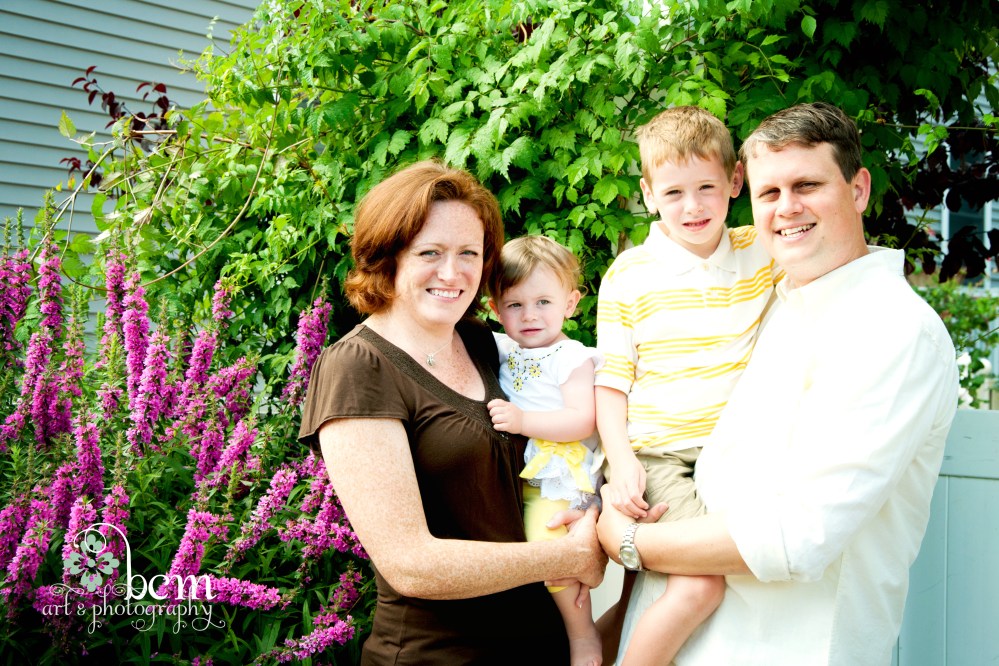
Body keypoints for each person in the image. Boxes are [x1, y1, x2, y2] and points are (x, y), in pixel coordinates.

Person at [597, 102, 960, 665]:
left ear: (858, 189)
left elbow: (797, 535)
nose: (786, 209)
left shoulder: (893, 330)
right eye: (769, 193)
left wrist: (623, 539)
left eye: (807, 184)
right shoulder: (779, 301)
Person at [297, 160, 607, 665]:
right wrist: (569, 557)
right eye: (430, 252)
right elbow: (410, 563)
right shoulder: (358, 367)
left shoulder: (483, 342)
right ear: (388, 256)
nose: (452, 272)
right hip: (437, 655)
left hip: (538, 644)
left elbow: (554, 446)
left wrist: (585, 509)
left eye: (469, 253)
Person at [594, 105, 783, 664]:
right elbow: (612, 383)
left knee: (641, 600)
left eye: (706, 187)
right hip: (658, 454)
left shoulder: (762, 250)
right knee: (699, 586)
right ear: (649, 195)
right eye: (673, 192)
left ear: (735, 182)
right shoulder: (629, 275)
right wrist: (621, 461)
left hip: (730, 450)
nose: (693, 206)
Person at [486, 235, 605, 666]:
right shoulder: (503, 347)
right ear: (495, 309)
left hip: (559, 472)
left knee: (550, 546)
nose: (530, 315)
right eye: (515, 305)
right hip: (522, 476)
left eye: (543, 302)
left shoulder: (570, 355)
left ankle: (582, 636)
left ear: (570, 304)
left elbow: (582, 419)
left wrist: (522, 421)